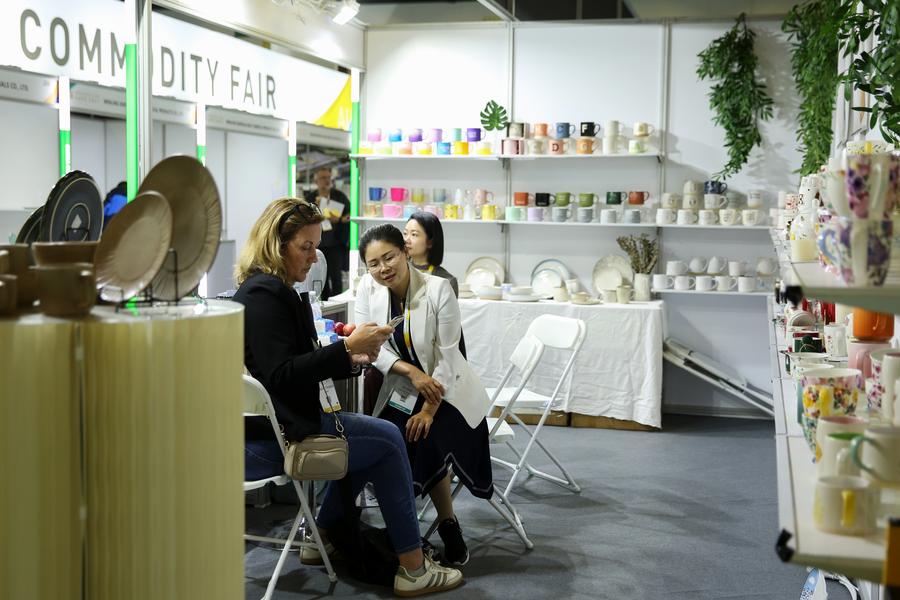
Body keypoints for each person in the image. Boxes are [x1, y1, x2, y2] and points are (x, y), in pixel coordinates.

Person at [233, 198, 462, 596]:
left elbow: (290, 366)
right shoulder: (265, 296)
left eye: (315, 247)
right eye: (306, 247)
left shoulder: (263, 291)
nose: (313, 257)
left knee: (373, 439)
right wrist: (345, 350)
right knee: (387, 439)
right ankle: (413, 568)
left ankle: (321, 536)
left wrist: (349, 355)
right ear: (276, 244)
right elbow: (283, 374)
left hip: (276, 428)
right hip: (281, 437)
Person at [355, 224, 493, 567]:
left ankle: (447, 523)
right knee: (385, 438)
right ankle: (404, 530)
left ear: (405, 252)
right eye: (374, 263)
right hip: (403, 386)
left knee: (424, 433)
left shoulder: (438, 289)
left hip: (449, 391)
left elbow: (448, 355)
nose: (383, 268)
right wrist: (412, 373)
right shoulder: (367, 288)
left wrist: (430, 409)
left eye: (389, 257)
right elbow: (372, 348)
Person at [304, 167, 350, 300]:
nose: (326, 180)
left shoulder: (339, 196)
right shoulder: (310, 198)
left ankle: (338, 303)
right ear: (316, 181)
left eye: (328, 177)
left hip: (336, 242)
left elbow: (350, 215)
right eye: (323, 178)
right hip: (317, 244)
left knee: (336, 277)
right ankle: (324, 303)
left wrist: (339, 219)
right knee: (321, 276)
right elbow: (303, 219)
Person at [403, 212, 458, 297]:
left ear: (430, 242)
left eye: (414, 234)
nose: (406, 240)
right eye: (405, 233)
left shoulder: (447, 281)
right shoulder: (398, 272)